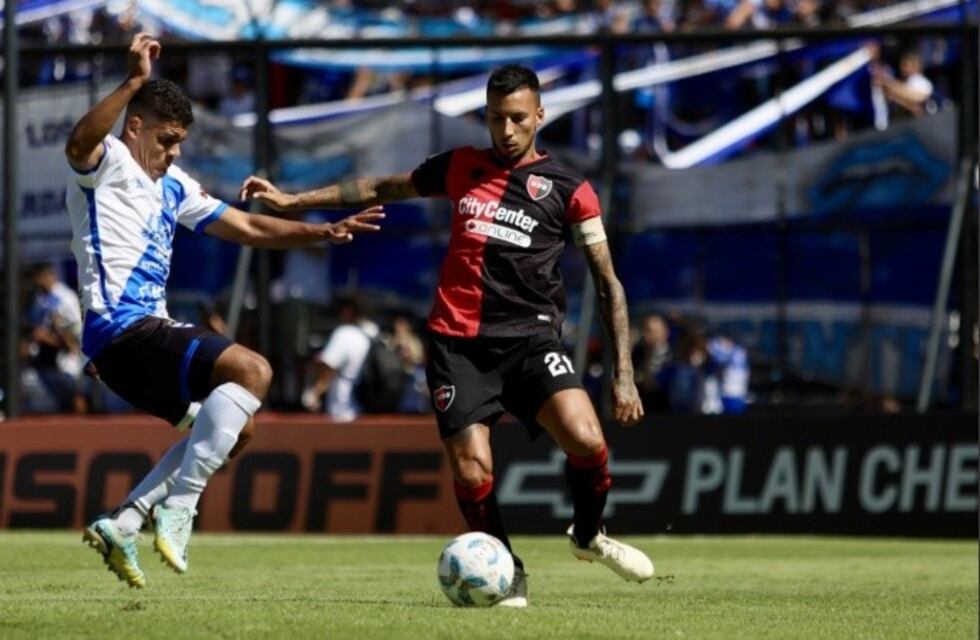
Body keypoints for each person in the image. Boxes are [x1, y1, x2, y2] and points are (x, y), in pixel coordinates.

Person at [241, 63, 653, 608]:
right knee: (471, 465)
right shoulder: (460, 166)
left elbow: (608, 283)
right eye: (494, 118)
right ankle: (507, 569)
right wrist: (295, 200)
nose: (505, 131)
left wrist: (624, 375)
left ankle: (587, 535)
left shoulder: (571, 189)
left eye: (516, 119)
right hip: (457, 342)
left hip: (531, 340)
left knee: (587, 438)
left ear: (539, 117)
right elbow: (380, 185)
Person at [65, 33, 383, 589]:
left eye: (181, 141)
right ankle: (181, 507)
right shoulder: (109, 160)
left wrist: (322, 231)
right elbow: (77, 143)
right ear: (134, 127)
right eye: (167, 139)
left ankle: (126, 520)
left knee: (238, 430)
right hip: (124, 330)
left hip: (132, 342)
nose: (175, 152)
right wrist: (135, 82)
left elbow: (252, 227)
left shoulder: (174, 186)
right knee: (253, 370)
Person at [301, 295, 379, 421]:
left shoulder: (344, 334)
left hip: (343, 411)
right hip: (371, 409)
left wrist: (314, 394)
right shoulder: (375, 332)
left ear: (348, 311)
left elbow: (329, 368)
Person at [22, 263, 86, 414]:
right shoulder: (40, 298)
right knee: (57, 396)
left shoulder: (65, 297)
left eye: (40, 277)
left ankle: (84, 425)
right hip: (44, 353)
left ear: (49, 276)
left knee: (74, 390)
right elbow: (36, 324)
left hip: (65, 351)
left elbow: (76, 327)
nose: (37, 282)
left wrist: (57, 334)